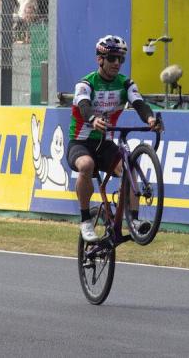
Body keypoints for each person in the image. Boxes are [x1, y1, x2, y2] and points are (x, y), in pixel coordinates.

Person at [68, 35, 161, 242]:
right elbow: (84, 106)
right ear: (100, 59)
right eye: (112, 58)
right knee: (86, 165)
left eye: (121, 59)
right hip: (81, 142)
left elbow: (139, 104)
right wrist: (92, 119)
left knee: (129, 167)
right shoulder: (85, 84)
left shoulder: (125, 84)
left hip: (105, 144)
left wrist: (150, 118)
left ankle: (134, 220)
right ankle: (85, 221)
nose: (117, 63)